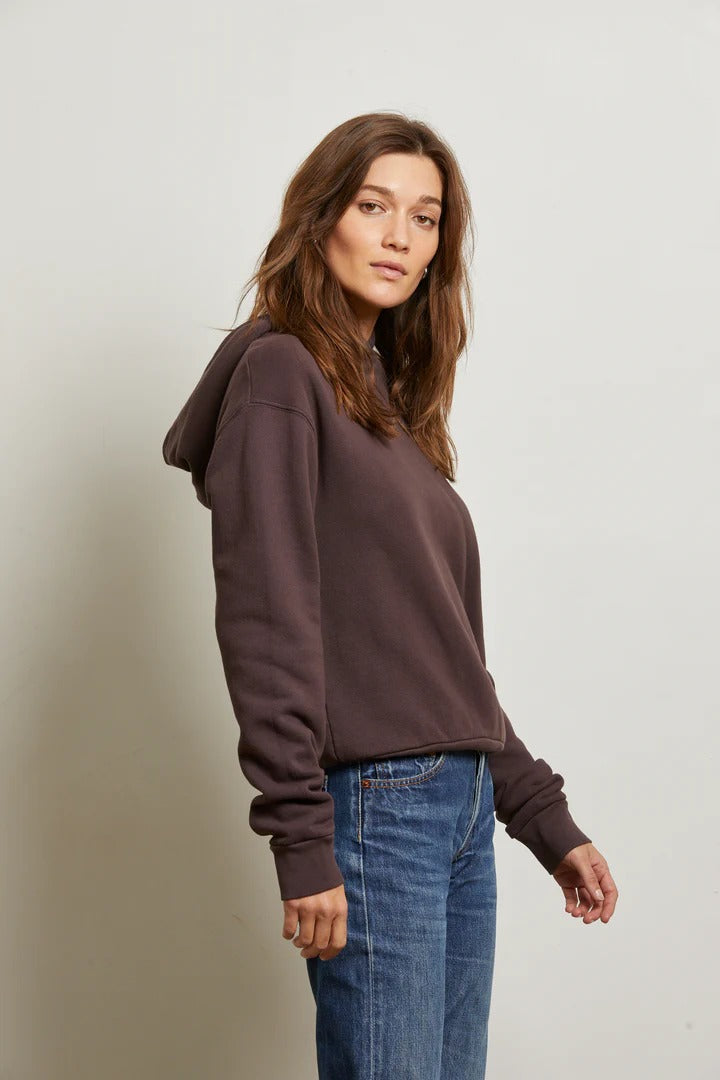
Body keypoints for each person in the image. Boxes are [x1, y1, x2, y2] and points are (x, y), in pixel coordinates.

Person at [162, 111, 618, 1079]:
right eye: (374, 207)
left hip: (458, 808)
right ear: (321, 217)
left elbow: (443, 660)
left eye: (425, 217)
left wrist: (541, 817)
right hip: (378, 810)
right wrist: (301, 836)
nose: (400, 237)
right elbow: (266, 620)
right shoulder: (282, 375)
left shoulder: (386, 408)